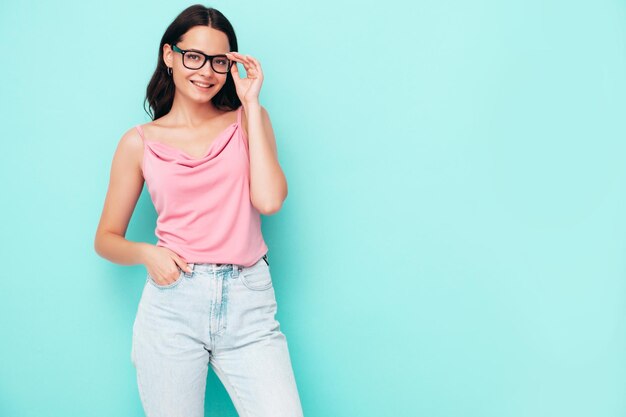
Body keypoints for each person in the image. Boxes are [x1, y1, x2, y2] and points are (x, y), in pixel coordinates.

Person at [93, 5, 304, 417]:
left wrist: (252, 104)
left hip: (249, 301)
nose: (206, 71)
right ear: (169, 55)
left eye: (219, 61)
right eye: (194, 57)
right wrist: (148, 254)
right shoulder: (139, 142)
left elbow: (270, 201)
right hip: (173, 304)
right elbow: (105, 239)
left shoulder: (248, 121)